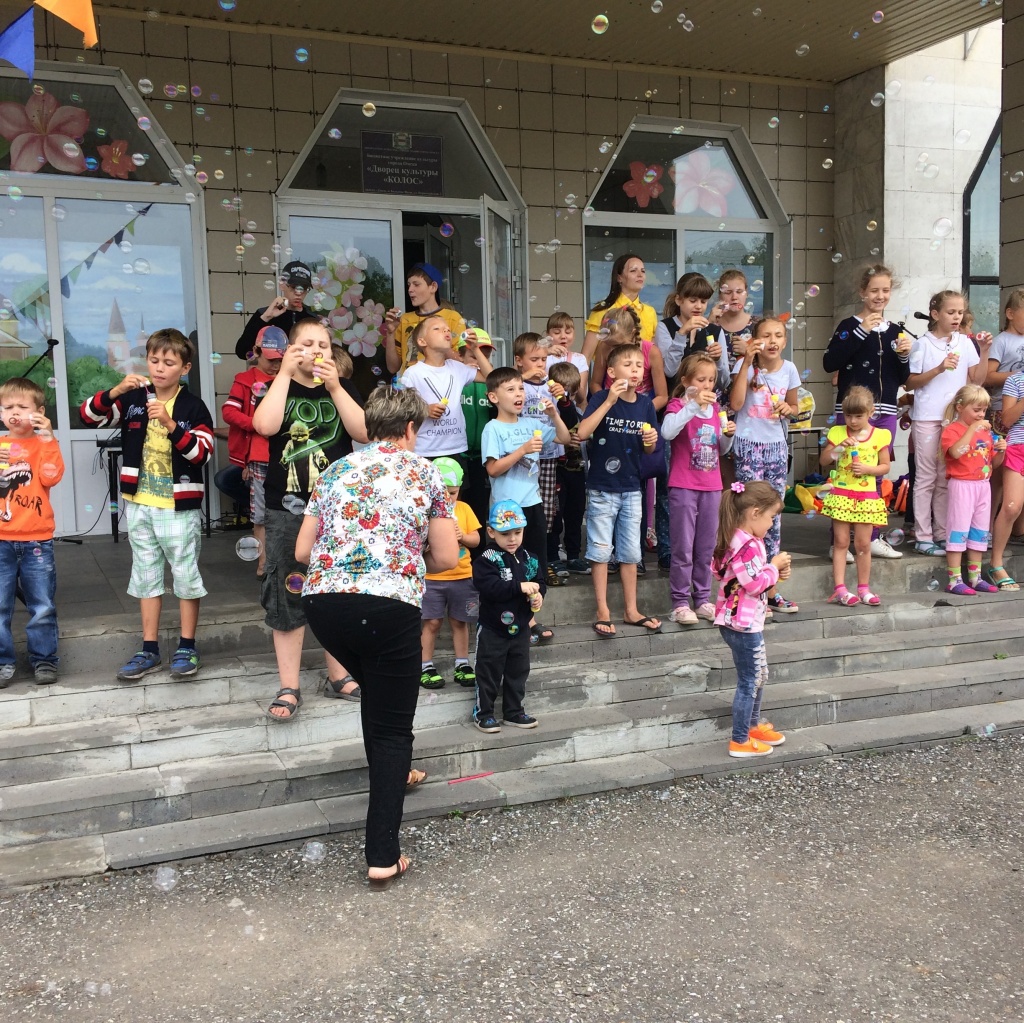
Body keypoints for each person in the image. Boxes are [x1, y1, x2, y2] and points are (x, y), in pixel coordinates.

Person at [296, 386, 459, 889]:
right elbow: (447, 557)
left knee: (379, 701)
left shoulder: (334, 470)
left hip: (324, 604)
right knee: (392, 729)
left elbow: (303, 551)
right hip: (388, 605)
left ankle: (397, 772)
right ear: (410, 428)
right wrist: (408, 556)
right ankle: (383, 855)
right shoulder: (424, 471)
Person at [81, 329, 214, 682]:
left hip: (178, 506)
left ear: (185, 368)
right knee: (145, 575)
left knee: (185, 575)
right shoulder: (133, 400)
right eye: (154, 360)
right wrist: (115, 391)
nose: (159, 368)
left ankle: (187, 646)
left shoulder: (193, 407)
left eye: (168, 362)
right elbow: (88, 417)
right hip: (139, 503)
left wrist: (170, 424)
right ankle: (149, 649)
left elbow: (201, 454)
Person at [252, 318, 367, 721]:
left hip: (336, 508)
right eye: (305, 343)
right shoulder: (277, 386)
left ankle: (340, 674)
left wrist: (335, 387)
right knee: (287, 589)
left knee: (336, 589)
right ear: (289, 350)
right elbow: (264, 426)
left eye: (323, 344)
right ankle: (290, 686)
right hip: (286, 509)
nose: (315, 350)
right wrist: (284, 375)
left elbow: (364, 432)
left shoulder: (342, 387)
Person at [822, 264, 912, 560]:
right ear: (862, 292)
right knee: (844, 470)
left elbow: (903, 377)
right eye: (874, 290)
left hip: (885, 411)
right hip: (852, 411)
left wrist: (904, 355)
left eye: (885, 290)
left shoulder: (895, 330)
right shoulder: (849, 326)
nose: (880, 296)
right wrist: (862, 331)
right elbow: (830, 362)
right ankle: (838, 541)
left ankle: (870, 538)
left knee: (874, 474)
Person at [481, 366, 572, 643]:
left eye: (520, 388)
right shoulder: (493, 428)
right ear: (493, 397)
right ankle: (519, 620)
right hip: (506, 509)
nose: (518, 394)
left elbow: (565, 438)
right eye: (510, 389)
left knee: (534, 563)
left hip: (533, 503)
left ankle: (529, 616)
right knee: (508, 564)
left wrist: (554, 414)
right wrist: (522, 450)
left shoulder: (531, 424)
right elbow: (493, 469)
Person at [577, 343, 661, 637]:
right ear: (611, 372)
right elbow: (582, 433)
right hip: (602, 487)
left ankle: (631, 609)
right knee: (600, 550)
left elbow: (649, 450)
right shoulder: (602, 397)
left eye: (639, 365)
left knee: (631, 551)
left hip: (632, 487)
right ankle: (602, 610)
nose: (635, 370)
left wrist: (650, 440)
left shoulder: (646, 404)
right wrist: (609, 401)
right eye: (628, 364)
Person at [906, 290, 991, 556]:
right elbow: (910, 383)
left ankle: (942, 534)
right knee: (926, 477)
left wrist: (985, 350)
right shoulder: (923, 344)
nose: (957, 317)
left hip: (953, 420)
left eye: (960, 312)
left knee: (945, 477)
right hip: (927, 417)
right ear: (935, 314)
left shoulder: (964, 342)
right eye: (951, 312)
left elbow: (978, 380)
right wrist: (939, 368)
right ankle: (923, 536)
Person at [712, 480, 791, 759]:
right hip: (742, 624)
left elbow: (728, 573)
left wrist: (773, 573)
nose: (771, 524)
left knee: (759, 676)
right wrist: (774, 567)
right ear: (755, 513)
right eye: (771, 517)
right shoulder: (746, 545)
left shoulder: (738, 538)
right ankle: (740, 739)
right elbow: (755, 584)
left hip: (741, 621)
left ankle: (753, 726)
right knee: (750, 680)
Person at [729, 314, 801, 614]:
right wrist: (747, 361)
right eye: (766, 336)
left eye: (778, 335)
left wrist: (788, 408)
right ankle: (748, 589)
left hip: (776, 448)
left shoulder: (790, 369)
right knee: (749, 516)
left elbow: (796, 407)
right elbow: (735, 404)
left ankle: (770, 592)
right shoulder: (744, 366)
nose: (773, 341)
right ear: (754, 340)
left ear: (785, 341)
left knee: (773, 518)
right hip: (748, 445)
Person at [0, 378, 65, 685]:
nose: (14, 412)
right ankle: (3, 662)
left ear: (39, 412)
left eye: (22, 406)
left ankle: (44, 660)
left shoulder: (44, 445)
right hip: (2, 539)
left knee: (41, 605)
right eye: (7, 407)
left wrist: (49, 438)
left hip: (37, 538)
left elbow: (51, 477)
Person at [662, 353, 734, 625]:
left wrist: (728, 435)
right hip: (683, 485)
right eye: (701, 380)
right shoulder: (677, 405)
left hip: (712, 486)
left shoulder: (716, 410)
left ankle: (702, 599)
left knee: (706, 547)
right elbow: (667, 432)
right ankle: (680, 603)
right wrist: (692, 405)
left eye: (711, 380)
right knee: (683, 547)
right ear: (685, 381)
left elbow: (720, 448)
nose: (707, 385)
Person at [471, 499, 545, 733]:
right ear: (491, 532)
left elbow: (540, 582)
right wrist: (519, 587)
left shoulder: (530, 558)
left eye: (517, 532)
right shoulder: (486, 559)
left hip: (521, 627)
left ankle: (514, 711)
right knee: (488, 671)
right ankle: (483, 713)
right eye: (505, 534)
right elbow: (489, 588)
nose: (512, 539)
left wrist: (539, 595)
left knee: (518, 671)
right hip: (492, 628)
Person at [819, 386, 892, 606]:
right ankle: (840, 589)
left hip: (866, 497)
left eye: (858, 416)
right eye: (848, 415)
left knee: (863, 545)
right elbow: (824, 460)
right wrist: (839, 448)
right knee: (841, 542)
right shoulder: (837, 433)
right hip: (841, 495)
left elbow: (885, 466)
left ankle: (863, 589)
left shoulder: (880, 435)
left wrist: (869, 470)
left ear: (871, 412)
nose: (852, 421)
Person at [222, 325, 285, 578]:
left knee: (286, 512)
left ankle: (283, 561)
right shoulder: (245, 380)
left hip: (286, 457)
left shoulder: (287, 380)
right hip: (259, 457)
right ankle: (263, 563)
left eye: (280, 360)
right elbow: (229, 412)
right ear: (256, 352)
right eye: (271, 360)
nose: (275, 365)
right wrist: (257, 424)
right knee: (260, 513)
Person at [514, 332, 571, 586]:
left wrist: (563, 398)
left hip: (547, 455)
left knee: (546, 510)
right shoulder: (518, 385)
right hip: (522, 456)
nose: (540, 364)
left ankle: (541, 561)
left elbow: (568, 421)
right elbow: (503, 394)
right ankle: (519, 558)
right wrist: (522, 379)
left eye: (543, 359)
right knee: (521, 509)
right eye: (534, 359)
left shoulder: (551, 384)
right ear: (519, 361)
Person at [419, 457, 481, 690]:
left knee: (460, 621)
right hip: (432, 578)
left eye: (453, 493)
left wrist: (462, 536)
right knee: (432, 622)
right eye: (442, 493)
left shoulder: (463, 509)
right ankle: (425, 665)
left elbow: (476, 540)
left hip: (462, 577)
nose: (448, 498)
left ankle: (462, 664)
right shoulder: (425, 512)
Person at [940, 384, 1004, 595]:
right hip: (962, 485)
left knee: (979, 531)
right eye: (976, 410)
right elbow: (956, 453)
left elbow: (993, 464)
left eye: (984, 410)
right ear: (960, 407)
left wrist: (1001, 452)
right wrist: (972, 429)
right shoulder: (952, 430)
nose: (981, 415)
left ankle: (975, 578)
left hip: (983, 485)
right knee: (958, 530)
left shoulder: (985, 433)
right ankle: (954, 579)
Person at [399, 316, 492, 461]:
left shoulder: (458, 368)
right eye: (437, 329)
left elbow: (491, 378)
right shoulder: (413, 373)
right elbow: (401, 409)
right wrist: (424, 409)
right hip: (425, 450)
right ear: (422, 341)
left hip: (457, 449)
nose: (446, 331)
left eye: (447, 329)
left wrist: (475, 349)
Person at [383, 262, 467, 374]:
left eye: (416, 284)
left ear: (433, 287)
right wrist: (390, 333)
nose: (410, 289)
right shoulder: (404, 320)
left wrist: (439, 343)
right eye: (409, 285)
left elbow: (462, 361)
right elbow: (392, 368)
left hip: (438, 382)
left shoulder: (452, 318)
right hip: (409, 384)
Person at [544, 360, 587, 576]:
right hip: (556, 468)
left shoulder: (576, 411)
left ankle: (573, 555)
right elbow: (564, 423)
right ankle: (553, 555)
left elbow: (573, 422)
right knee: (554, 514)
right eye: (561, 390)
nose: (565, 395)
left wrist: (582, 438)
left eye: (570, 391)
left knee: (575, 513)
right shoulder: (547, 409)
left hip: (577, 470)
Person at [655, 272, 731, 392]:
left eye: (703, 301)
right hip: (675, 402)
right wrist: (681, 334)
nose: (698, 306)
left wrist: (717, 360)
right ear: (678, 300)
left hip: (705, 402)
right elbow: (669, 371)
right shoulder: (665, 327)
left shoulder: (714, 331)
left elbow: (724, 382)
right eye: (693, 301)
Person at [581, 253, 658, 365]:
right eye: (633, 270)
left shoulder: (650, 312)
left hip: (642, 374)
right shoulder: (603, 311)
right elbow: (586, 357)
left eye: (643, 271)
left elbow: (652, 355)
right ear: (619, 278)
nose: (640, 274)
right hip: (610, 373)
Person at [233, 260, 316, 361]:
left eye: (304, 288)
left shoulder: (312, 319)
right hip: (273, 371)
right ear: (282, 285)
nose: (298, 293)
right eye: (294, 287)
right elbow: (242, 351)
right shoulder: (264, 314)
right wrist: (266, 318)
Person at [989, 368, 1024, 590]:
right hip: (1018, 446)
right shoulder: (1015, 380)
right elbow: (1007, 420)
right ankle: (996, 564)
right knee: (1011, 506)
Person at [457, 332, 496, 533]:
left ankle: (479, 547)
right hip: (459, 454)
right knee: (458, 505)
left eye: (485, 357)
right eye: (474, 356)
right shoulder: (455, 381)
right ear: (459, 356)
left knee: (479, 508)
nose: (479, 362)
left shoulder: (490, 386)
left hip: (483, 456)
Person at [545, 310, 589, 402]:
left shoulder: (579, 359)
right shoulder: (542, 357)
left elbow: (581, 398)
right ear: (548, 335)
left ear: (574, 334)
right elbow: (518, 372)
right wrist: (545, 352)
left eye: (568, 332)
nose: (563, 336)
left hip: (567, 409)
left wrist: (572, 379)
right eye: (557, 332)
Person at [708, 269, 754, 357]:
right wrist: (708, 324)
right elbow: (697, 357)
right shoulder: (711, 323)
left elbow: (769, 360)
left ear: (746, 293)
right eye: (728, 292)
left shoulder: (757, 325)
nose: (734, 297)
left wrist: (748, 352)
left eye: (739, 292)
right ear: (720, 295)